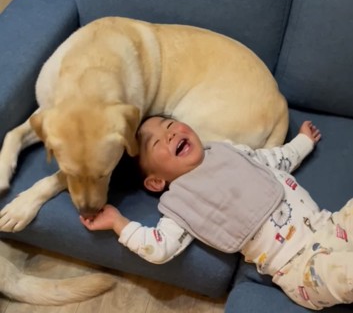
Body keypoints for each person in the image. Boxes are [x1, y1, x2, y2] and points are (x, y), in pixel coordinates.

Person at [80, 116, 353, 310]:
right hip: (303, 270)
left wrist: (303, 142)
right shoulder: (182, 204)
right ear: (155, 182)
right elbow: (158, 247)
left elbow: (273, 160)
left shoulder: (226, 151)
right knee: (344, 274)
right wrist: (118, 223)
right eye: (157, 143)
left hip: (331, 224)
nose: (171, 134)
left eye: (170, 124)